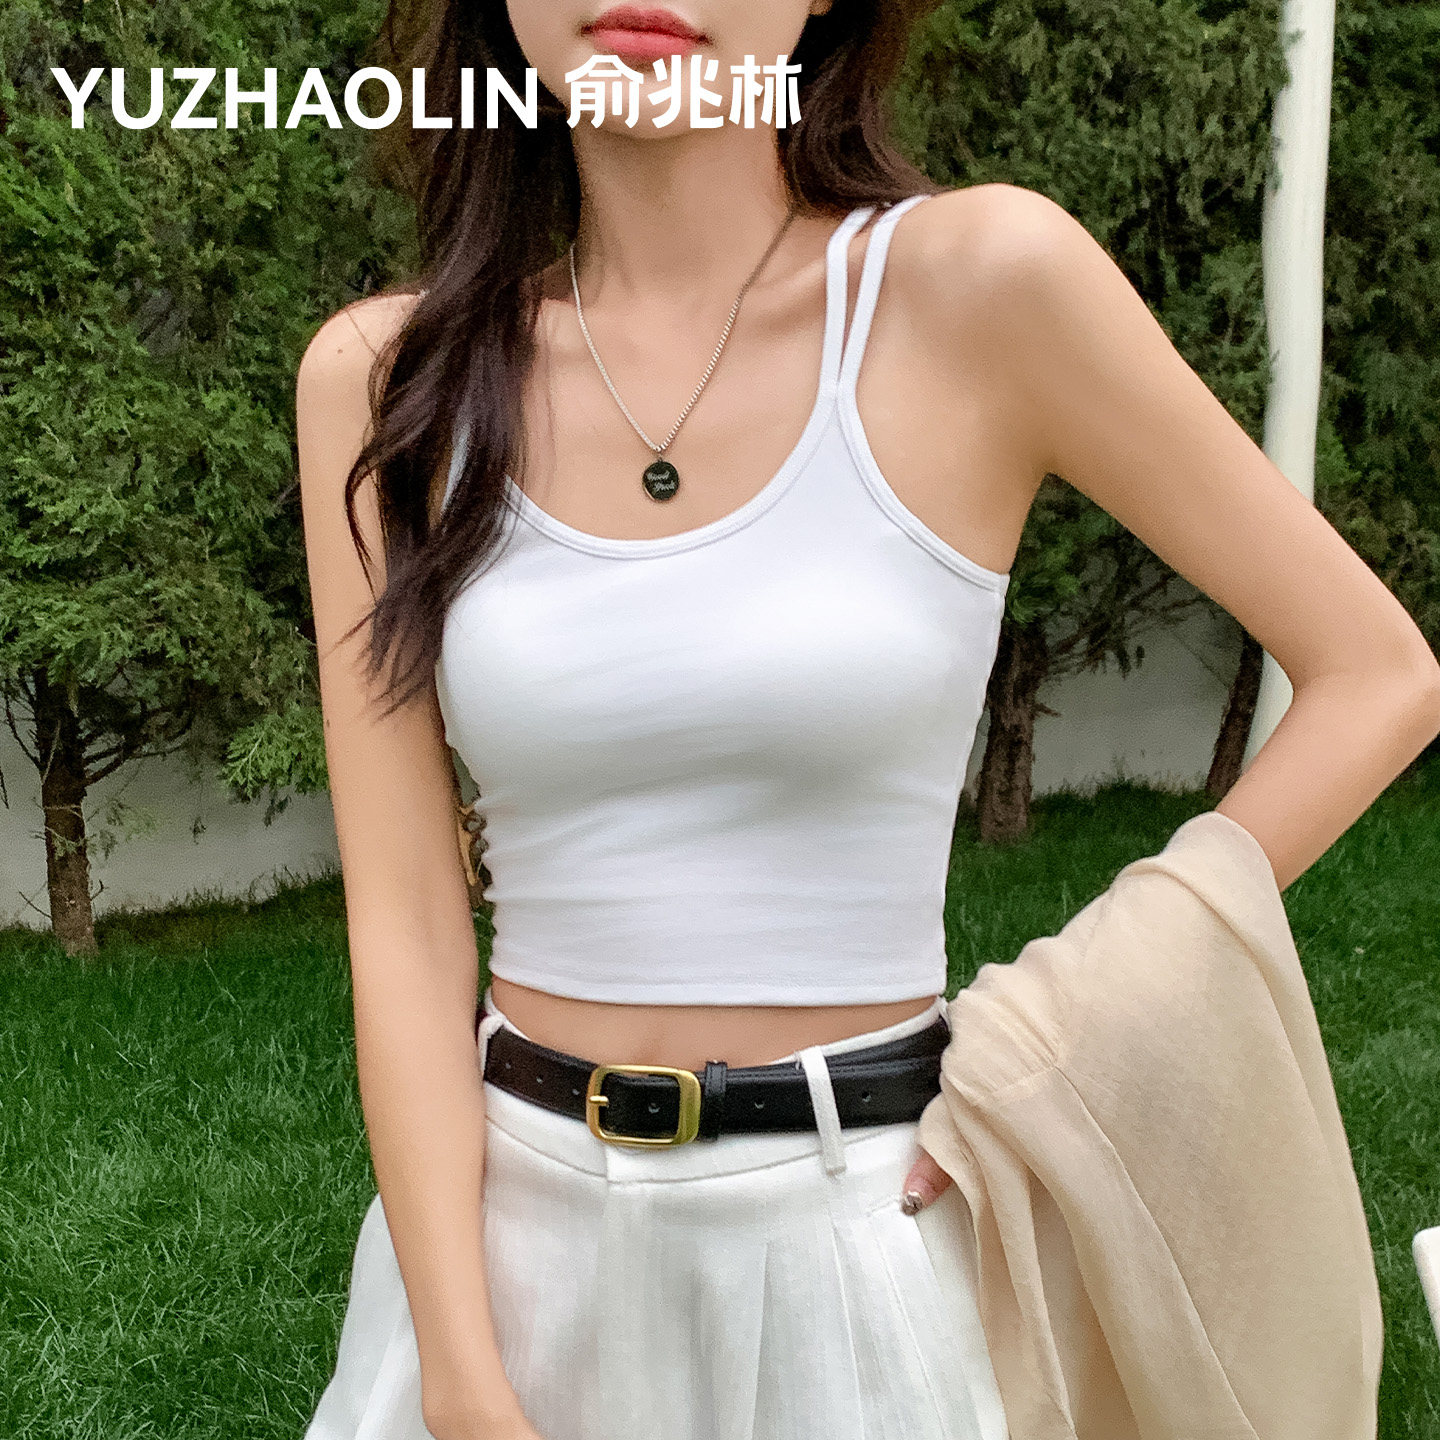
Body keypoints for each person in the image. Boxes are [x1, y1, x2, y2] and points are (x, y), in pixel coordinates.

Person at [293, 1, 1440, 1437]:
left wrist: (1066, 1022)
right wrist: (461, 1377)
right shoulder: (386, 384)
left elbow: (1377, 672)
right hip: (505, 1267)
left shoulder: (979, 287)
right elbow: (405, 918)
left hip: (860, 1246)